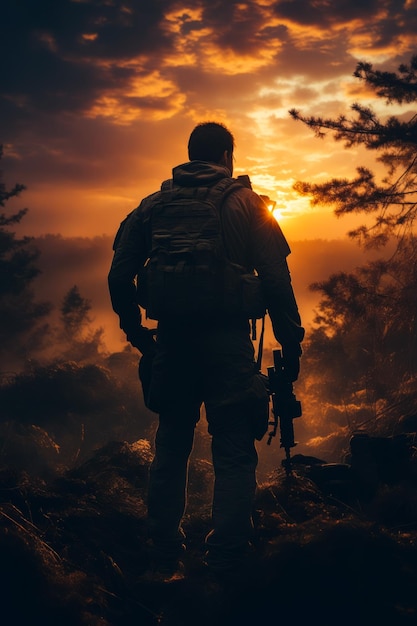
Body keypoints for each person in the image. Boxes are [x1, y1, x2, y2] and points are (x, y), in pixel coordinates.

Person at [108, 121, 304, 580]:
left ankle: (162, 556)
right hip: (227, 344)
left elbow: (119, 276)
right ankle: (227, 561)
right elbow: (276, 280)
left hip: (172, 342)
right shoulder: (246, 204)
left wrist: (139, 335)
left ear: (191, 153)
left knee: (171, 446)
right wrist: (291, 343)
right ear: (227, 158)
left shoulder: (152, 206)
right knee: (234, 450)